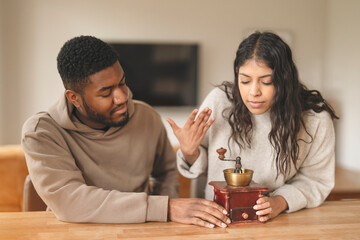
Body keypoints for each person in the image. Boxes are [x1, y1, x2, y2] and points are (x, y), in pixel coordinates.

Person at [22, 35, 230, 228]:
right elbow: (71, 201)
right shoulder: (42, 132)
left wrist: (164, 219)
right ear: (74, 98)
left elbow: (165, 173)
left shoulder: (146, 117)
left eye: (122, 83)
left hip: (139, 230)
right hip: (75, 232)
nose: (122, 97)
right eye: (106, 92)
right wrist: (164, 207)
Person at [167, 31, 338, 222]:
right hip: (216, 219)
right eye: (245, 80)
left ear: (285, 80)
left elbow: (316, 181)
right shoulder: (220, 101)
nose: (253, 92)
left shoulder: (314, 119)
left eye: (267, 81)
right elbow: (200, 161)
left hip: (277, 221)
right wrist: (189, 151)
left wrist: (279, 202)